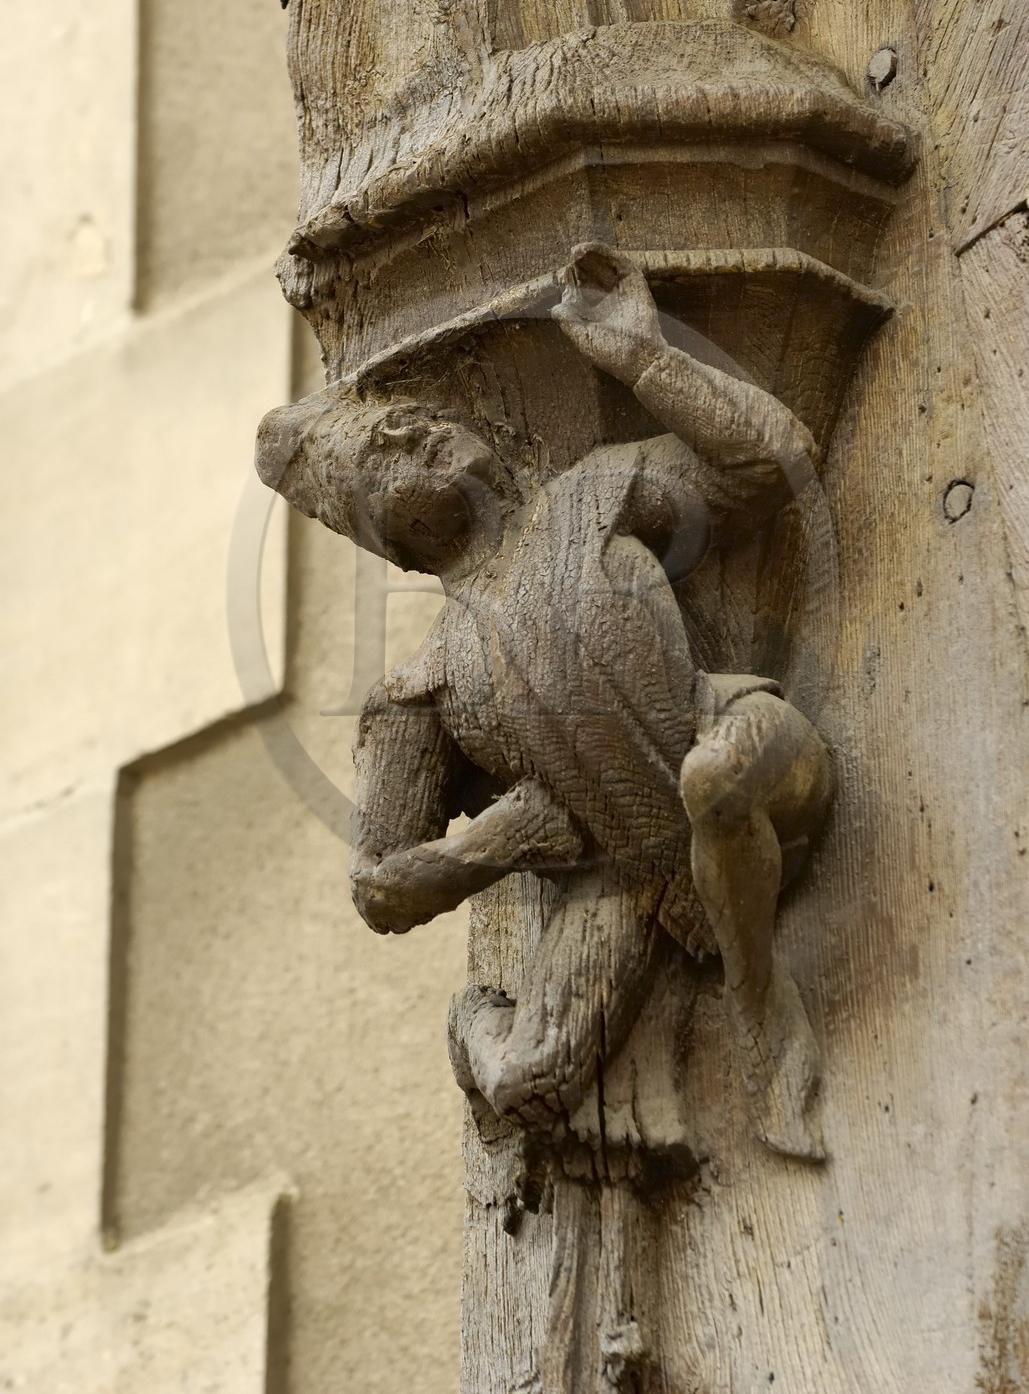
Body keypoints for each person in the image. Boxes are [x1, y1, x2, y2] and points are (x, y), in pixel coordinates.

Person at [256, 244, 833, 1159]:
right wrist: (509, 839)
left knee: (714, 776)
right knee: (527, 1086)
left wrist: (642, 357)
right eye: (384, 454)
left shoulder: (592, 495)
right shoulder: (423, 688)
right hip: (628, 876)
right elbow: (379, 886)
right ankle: (472, 1029)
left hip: (729, 730)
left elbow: (773, 461)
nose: (416, 433)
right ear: (388, 534)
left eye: (408, 419)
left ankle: (761, 1013)